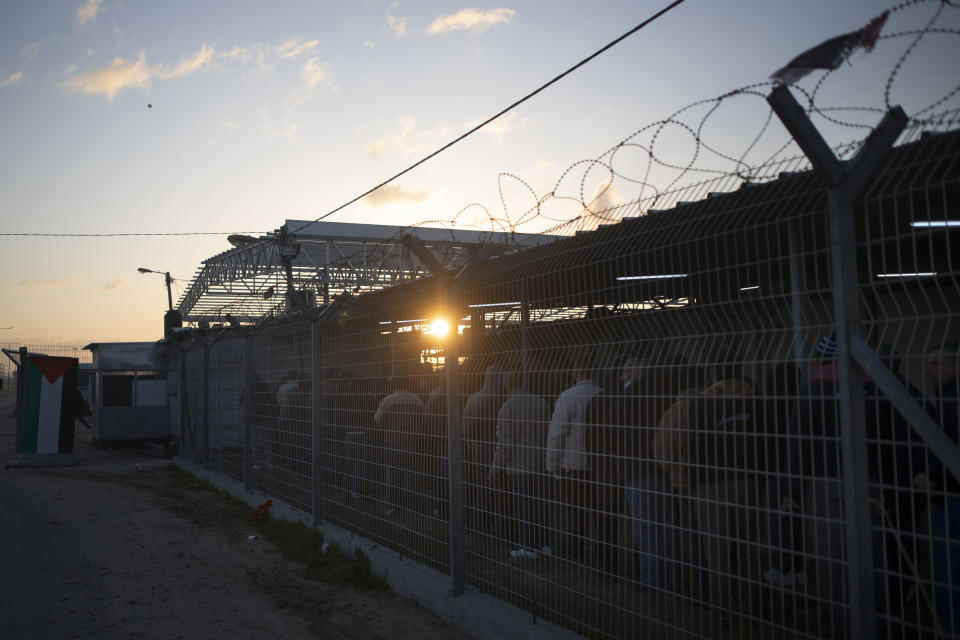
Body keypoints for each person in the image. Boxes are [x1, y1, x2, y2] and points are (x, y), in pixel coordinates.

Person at [490, 369, 552, 559]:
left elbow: (505, 441)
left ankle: (528, 547)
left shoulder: (508, 407)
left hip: (519, 465)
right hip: (540, 464)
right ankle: (545, 544)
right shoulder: (541, 402)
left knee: (524, 507)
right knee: (541, 506)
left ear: (508, 383)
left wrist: (496, 466)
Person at [545, 360, 603, 561]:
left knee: (575, 513)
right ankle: (600, 553)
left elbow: (557, 434)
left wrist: (552, 465)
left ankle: (577, 553)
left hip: (573, 465)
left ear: (575, 372)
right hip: (598, 466)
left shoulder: (567, 397)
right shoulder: (603, 394)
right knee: (598, 512)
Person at [921, 342, 960, 633]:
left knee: (949, 574)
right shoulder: (945, 396)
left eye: (938, 363)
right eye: (928, 363)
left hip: (952, 495)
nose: (929, 369)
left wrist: (933, 475)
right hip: (947, 493)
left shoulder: (953, 399)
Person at [462, 363, 506, 531]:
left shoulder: (475, 399)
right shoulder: (503, 399)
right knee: (499, 487)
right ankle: (498, 524)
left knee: (482, 485)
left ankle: (482, 523)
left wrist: (472, 444)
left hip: (481, 448)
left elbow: (466, 427)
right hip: (497, 448)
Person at [374, 377, 424, 515]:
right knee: (412, 473)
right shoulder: (417, 400)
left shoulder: (388, 400)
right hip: (413, 442)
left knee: (395, 473)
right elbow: (423, 419)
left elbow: (378, 420)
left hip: (393, 441)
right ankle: (412, 504)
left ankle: (396, 505)